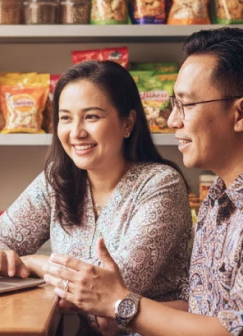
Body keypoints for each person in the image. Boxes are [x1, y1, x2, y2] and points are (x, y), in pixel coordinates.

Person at [42, 27, 243, 336]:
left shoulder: (162, 183)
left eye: (186, 105)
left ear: (239, 113)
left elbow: (231, 332)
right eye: (65, 117)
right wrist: (122, 310)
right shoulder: (219, 200)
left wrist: (121, 304)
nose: (172, 120)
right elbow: (206, 309)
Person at [0, 60, 192, 335]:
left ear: (128, 122)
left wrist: (32, 261)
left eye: (92, 117)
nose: (76, 132)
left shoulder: (161, 185)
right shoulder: (58, 178)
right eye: (65, 118)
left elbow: (106, 289)